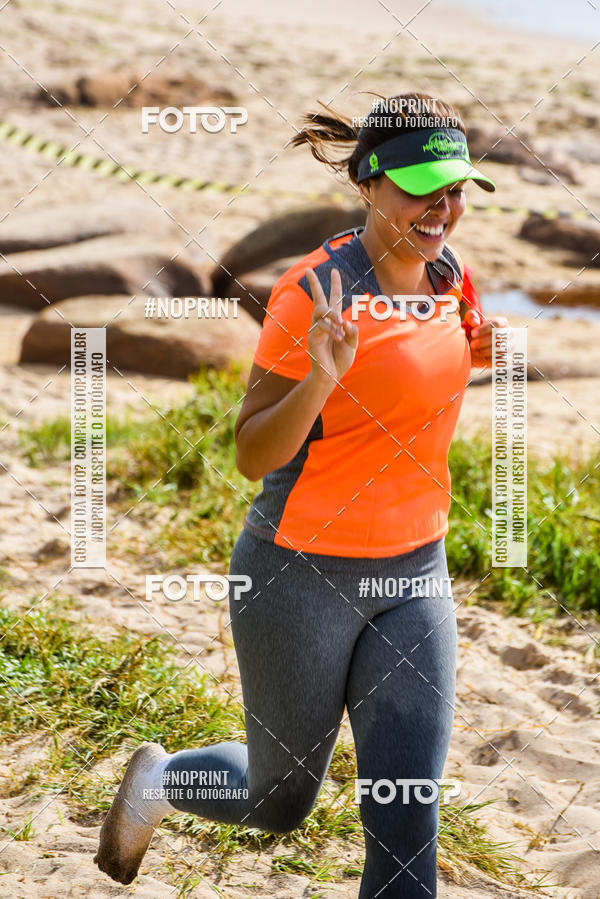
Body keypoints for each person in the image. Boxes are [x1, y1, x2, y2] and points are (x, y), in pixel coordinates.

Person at [95, 92, 509, 896]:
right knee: (280, 801)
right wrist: (322, 374)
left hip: (416, 575)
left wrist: (475, 347)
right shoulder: (310, 294)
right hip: (299, 575)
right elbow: (254, 455)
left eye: (455, 187)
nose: (442, 208)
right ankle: (161, 779)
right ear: (369, 183)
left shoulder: (455, 279)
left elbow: (414, 386)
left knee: (405, 812)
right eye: (422, 186)